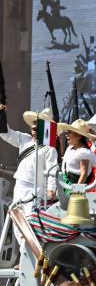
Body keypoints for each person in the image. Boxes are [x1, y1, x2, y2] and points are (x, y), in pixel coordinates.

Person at [0, 106, 58, 247]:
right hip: (20, 186)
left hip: (36, 189)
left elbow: (53, 170)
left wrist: (51, 189)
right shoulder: (24, 139)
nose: (34, 128)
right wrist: (1, 114)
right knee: (17, 222)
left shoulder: (49, 148)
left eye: (37, 126)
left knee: (30, 223)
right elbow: (5, 134)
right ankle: (23, 255)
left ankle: (31, 257)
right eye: (33, 126)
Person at [58, 119, 96, 188]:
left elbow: (83, 174)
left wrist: (76, 192)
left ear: (78, 136)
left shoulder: (83, 152)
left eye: (70, 132)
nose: (67, 135)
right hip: (66, 185)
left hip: (75, 187)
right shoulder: (70, 148)